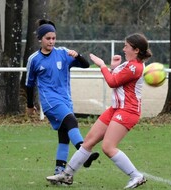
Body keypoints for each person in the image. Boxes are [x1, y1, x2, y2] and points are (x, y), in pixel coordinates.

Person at [46, 33, 152, 189]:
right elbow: (117, 76)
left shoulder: (135, 66)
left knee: (108, 147)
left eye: (126, 46)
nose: (123, 49)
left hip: (128, 111)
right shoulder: (128, 64)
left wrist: (102, 65)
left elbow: (112, 82)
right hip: (115, 109)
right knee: (88, 141)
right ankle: (67, 175)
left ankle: (136, 176)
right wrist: (114, 67)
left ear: (136, 50)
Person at [25, 19, 99, 180]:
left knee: (64, 136)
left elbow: (86, 65)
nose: (51, 41)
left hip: (65, 100)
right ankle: (84, 153)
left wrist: (77, 55)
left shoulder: (63, 53)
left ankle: (59, 171)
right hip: (50, 101)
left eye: (53, 38)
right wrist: (30, 105)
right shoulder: (34, 59)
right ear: (40, 39)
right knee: (71, 121)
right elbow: (29, 85)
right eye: (47, 38)